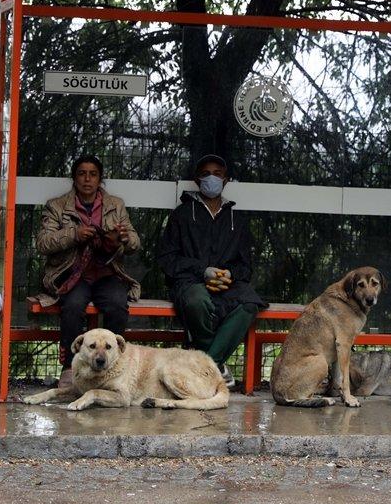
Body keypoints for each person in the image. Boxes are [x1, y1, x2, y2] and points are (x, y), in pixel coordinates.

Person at [158, 154, 266, 387]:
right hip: (190, 282)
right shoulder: (182, 214)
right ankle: (215, 366)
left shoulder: (236, 219)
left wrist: (229, 275)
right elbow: (167, 259)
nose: (212, 178)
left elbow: (245, 266)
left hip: (226, 285)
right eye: (206, 174)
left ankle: (207, 366)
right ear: (197, 180)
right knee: (196, 301)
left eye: (218, 174)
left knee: (250, 303)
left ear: (226, 180)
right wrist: (202, 270)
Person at [35, 155, 140, 385]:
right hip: (72, 275)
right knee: (73, 306)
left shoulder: (115, 205)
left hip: (107, 273)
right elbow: (43, 242)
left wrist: (123, 239)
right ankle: (70, 368)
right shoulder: (57, 206)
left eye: (93, 174)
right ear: (74, 177)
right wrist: (74, 234)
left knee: (117, 304)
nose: (87, 179)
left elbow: (134, 242)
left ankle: (113, 369)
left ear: (100, 179)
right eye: (82, 173)